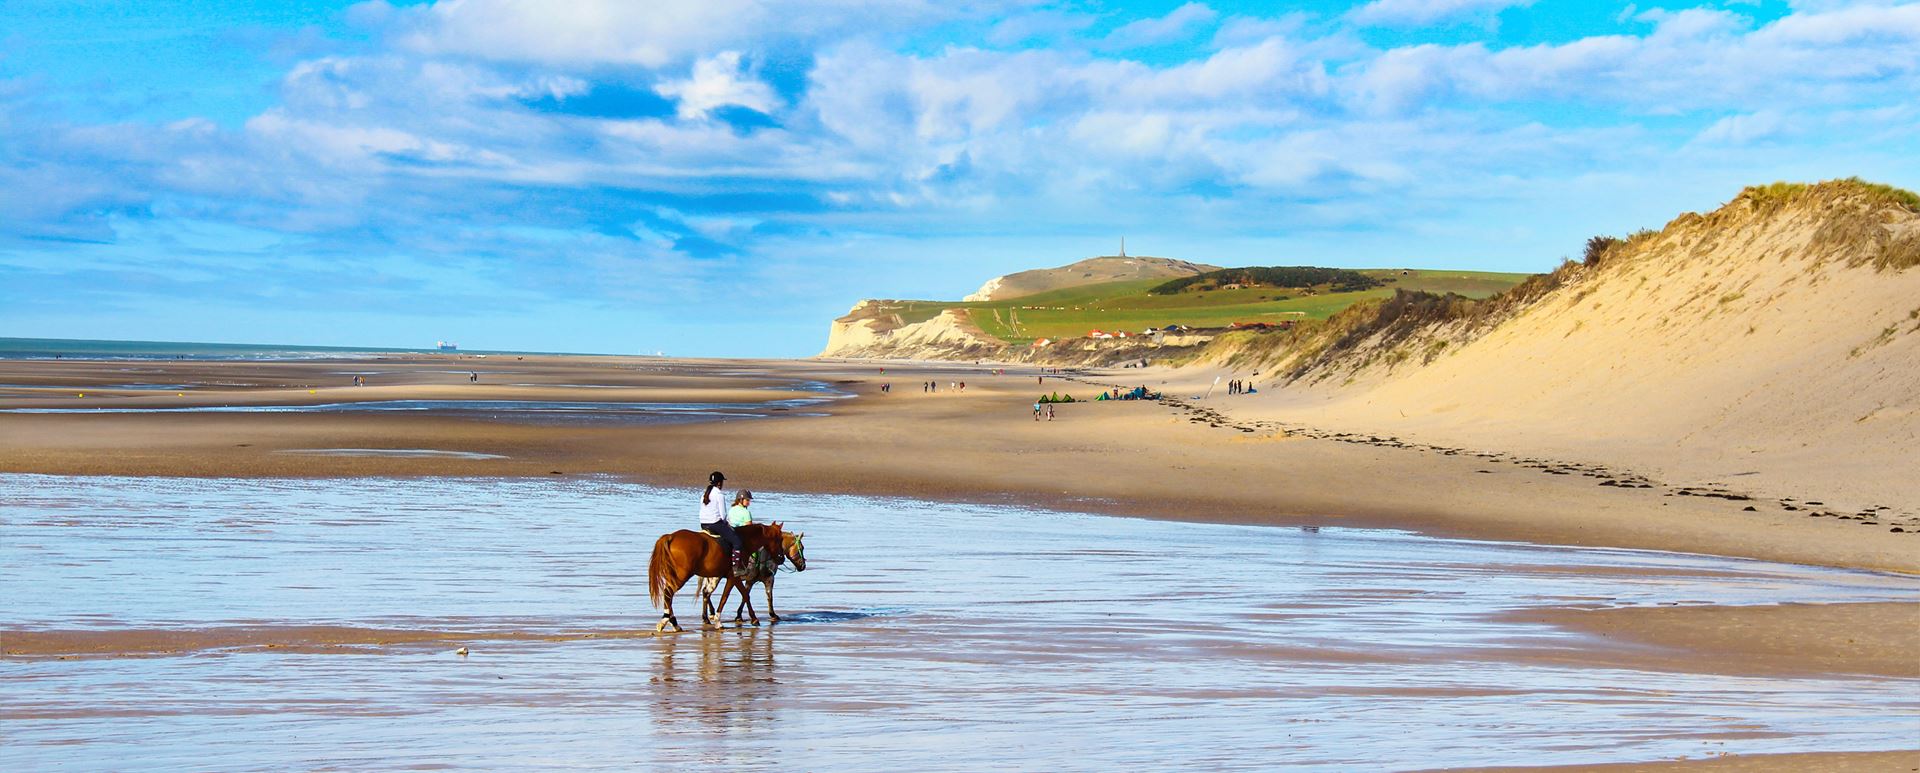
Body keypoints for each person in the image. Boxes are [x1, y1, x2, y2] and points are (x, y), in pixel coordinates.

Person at [699, 471, 747, 573]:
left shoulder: (704, 494)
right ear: (719, 483)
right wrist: (727, 524)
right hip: (715, 524)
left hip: (703, 524)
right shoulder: (719, 495)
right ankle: (736, 568)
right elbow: (723, 515)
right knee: (737, 542)